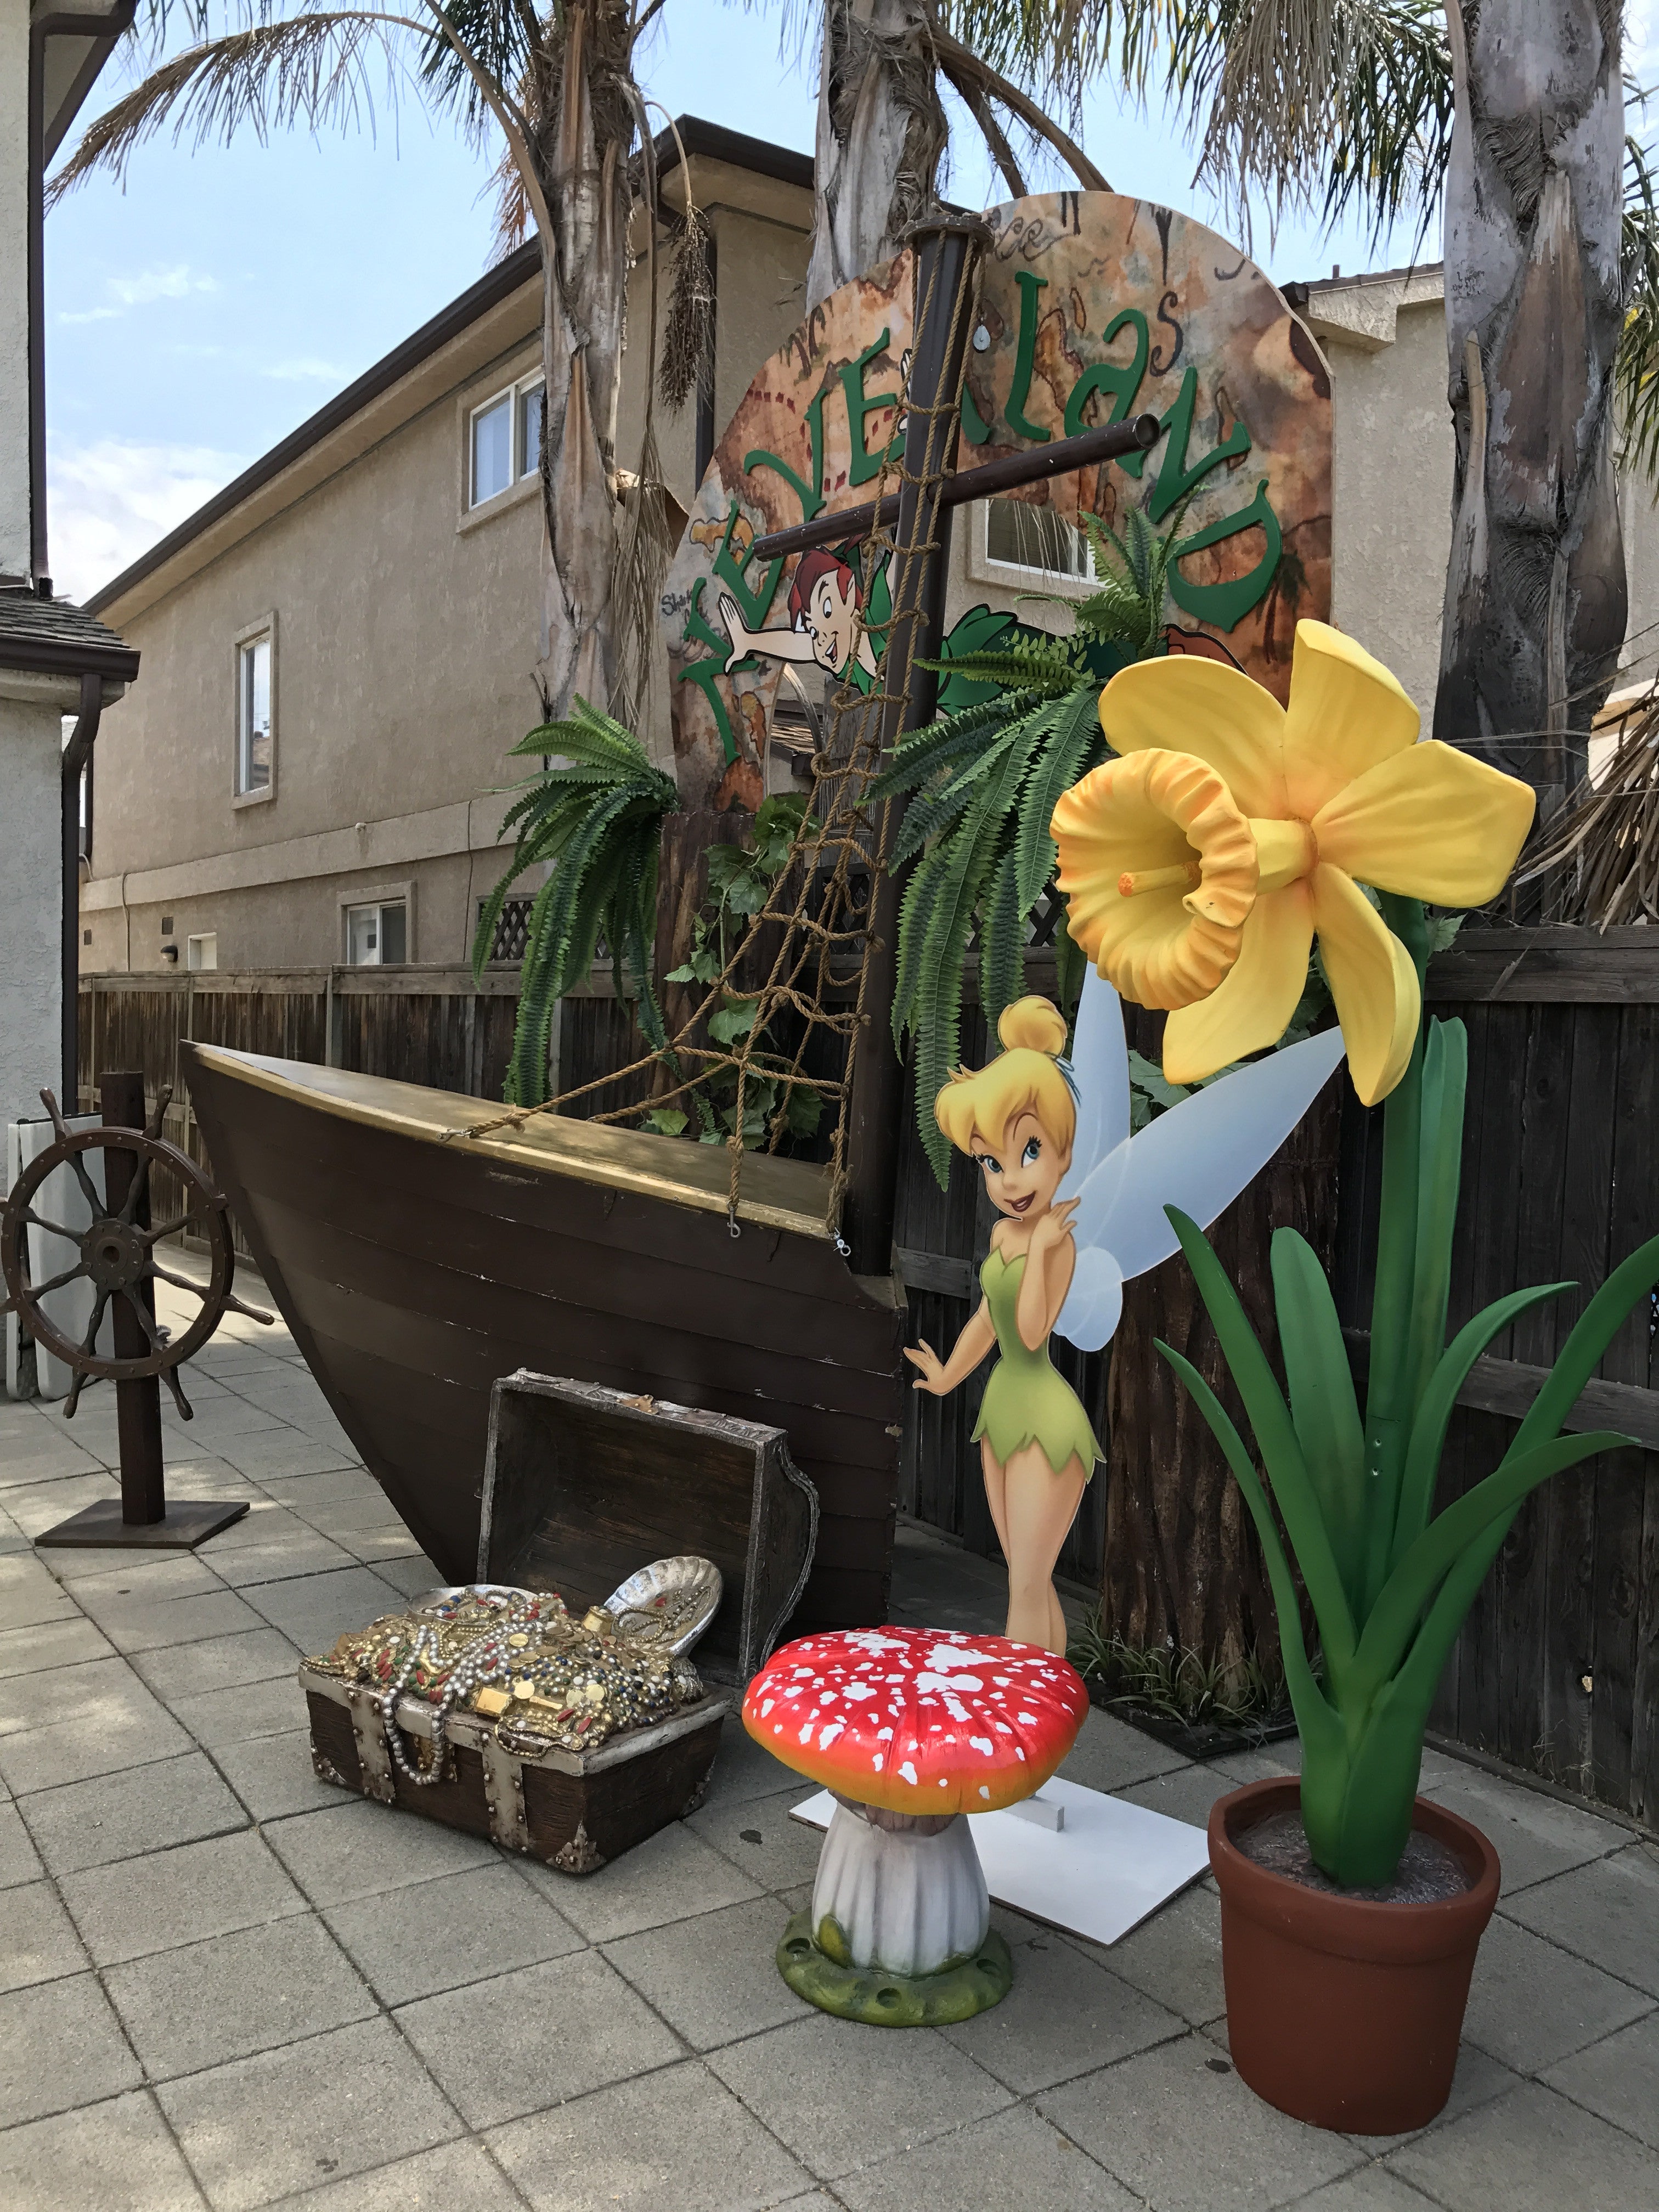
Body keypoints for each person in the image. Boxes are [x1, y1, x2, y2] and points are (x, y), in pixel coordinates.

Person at [904, 998, 1103, 1655]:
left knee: (1025, 1586)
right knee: (1027, 1578)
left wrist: (1043, 1251)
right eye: (991, 1162)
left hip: (1046, 1420)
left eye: (1030, 1150)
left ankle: (1016, 1707)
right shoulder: (1002, 1234)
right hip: (1001, 1409)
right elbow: (990, 1319)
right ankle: (1056, 1709)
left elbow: (1033, 1328)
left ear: (1064, 1151)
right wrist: (947, 1376)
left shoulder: (1058, 1240)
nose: (1010, 1179)